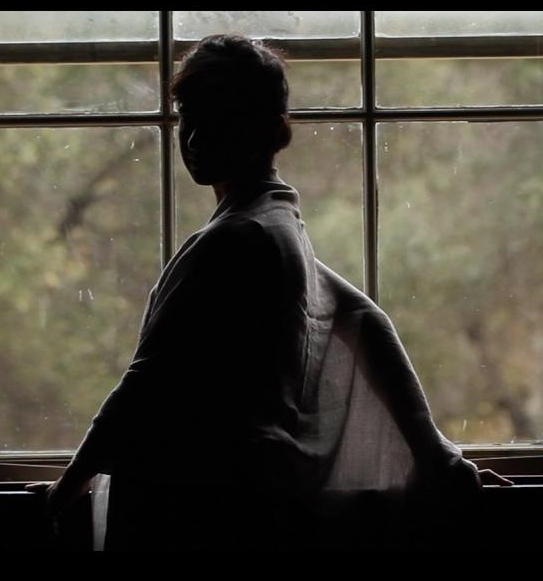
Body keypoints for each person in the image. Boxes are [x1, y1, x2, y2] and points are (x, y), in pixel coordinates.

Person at [27, 34, 512, 550]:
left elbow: (143, 388)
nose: (194, 137)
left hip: (207, 514)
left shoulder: (241, 235)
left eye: (220, 118)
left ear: (269, 130)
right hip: (249, 504)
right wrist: (438, 458)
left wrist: (65, 490)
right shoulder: (274, 224)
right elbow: (364, 319)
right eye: (188, 115)